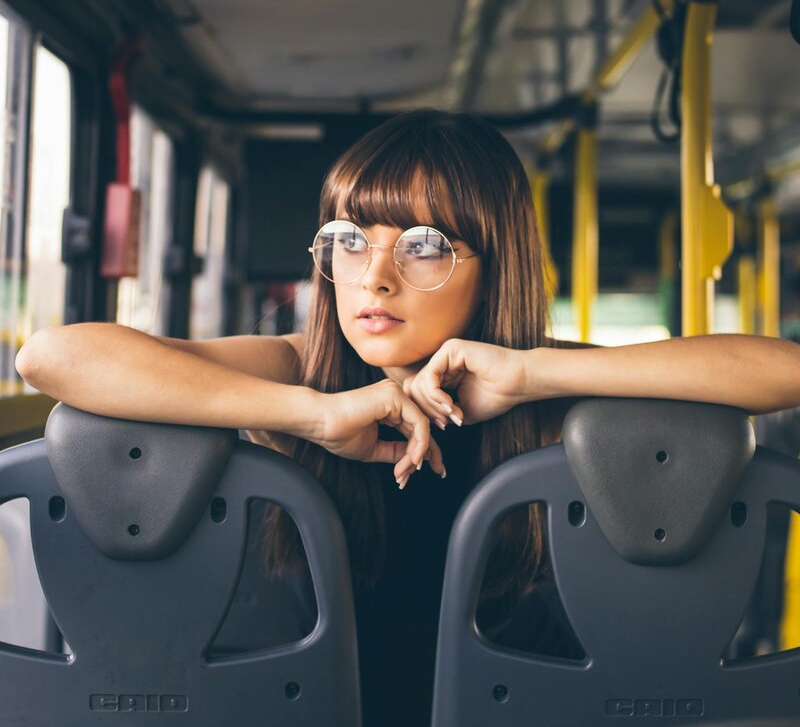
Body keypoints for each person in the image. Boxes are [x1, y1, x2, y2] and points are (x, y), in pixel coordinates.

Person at [15, 108, 800, 726]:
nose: (374, 279)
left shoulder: (538, 380)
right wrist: (315, 415)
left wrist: (533, 372)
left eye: (422, 247)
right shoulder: (301, 367)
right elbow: (52, 356)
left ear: (495, 263)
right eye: (350, 241)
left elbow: (785, 370)